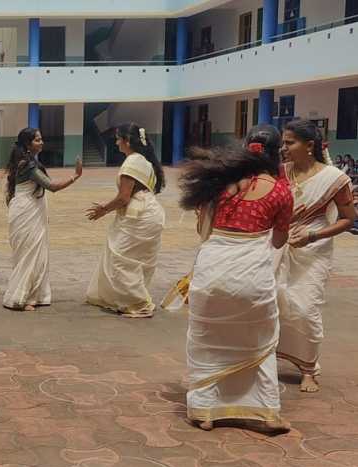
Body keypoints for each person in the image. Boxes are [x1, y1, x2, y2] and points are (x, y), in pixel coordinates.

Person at [178, 125, 293, 435]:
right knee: (260, 341)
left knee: (206, 339)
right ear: (277, 154)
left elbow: (203, 227)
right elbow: (279, 241)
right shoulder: (281, 190)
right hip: (251, 274)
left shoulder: (219, 183)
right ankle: (267, 413)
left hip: (211, 270)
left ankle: (204, 411)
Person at [275, 120, 356, 393]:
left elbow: (348, 219)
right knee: (275, 302)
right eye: (283, 142)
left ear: (309, 145)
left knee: (306, 308)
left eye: (290, 143)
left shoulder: (334, 179)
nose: (284, 148)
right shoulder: (280, 172)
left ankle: (308, 369)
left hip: (314, 250)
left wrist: (312, 236)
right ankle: (269, 356)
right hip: (279, 246)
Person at [85, 123, 166, 318]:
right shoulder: (144, 161)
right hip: (149, 212)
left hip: (140, 215)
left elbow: (123, 197)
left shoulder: (133, 162)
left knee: (120, 259)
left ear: (127, 141)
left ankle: (138, 303)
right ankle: (127, 298)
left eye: (118, 139)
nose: (116, 142)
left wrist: (103, 209)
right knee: (136, 260)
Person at [2, 127, 82, 311]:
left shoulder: (25, 162)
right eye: (37, 140)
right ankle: (19, 298)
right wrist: (75, 176)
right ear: (28, 144)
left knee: (33, 253)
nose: (42, 142)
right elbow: (51, 186)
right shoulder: (28, 165)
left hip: (26, 210)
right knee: (28, 254)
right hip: (26, 212)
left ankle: (34, 295)